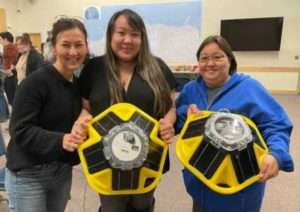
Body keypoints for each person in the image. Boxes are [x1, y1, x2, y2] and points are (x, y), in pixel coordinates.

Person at [175, 35, 294, 212]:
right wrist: (185, 113)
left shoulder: (249, 88)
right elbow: (179, 122)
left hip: (240, 184)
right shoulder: (191, 90)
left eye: (217, 57)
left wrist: (276, 154)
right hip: (201, 178)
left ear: (230, 60)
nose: (210, 63)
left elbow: (276, 123)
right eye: (204, 58)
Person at [77, 9, 177, 212]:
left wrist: (168, 122)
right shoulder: (94, 68)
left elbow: (170, 107)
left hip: (149, 156)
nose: (127, 40)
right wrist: (83, 119)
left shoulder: (158, 67)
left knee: (143, 205)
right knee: (111, 206)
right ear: (111, 35)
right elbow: (84, 107)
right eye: (121, 33)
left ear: (142, 38)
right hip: (105, 157)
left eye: (134, 34)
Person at [5, 17, 91, 212]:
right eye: (65, 45)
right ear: (54, 47)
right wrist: (61, 140)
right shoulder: (35, 83)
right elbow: (19, 130)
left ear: (86, 47)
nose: (73, 52)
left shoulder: (76, 84)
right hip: (28, 175)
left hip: (61, 171)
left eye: (79, 45)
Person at [0, 31, 18, 106]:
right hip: (10, 75)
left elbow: (10, 63)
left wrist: (5, 70)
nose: (0, 41)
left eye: (0, 39)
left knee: (12, 99)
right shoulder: (9, 47)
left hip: (10, 76)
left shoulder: (9, 47)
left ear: (5, 39)